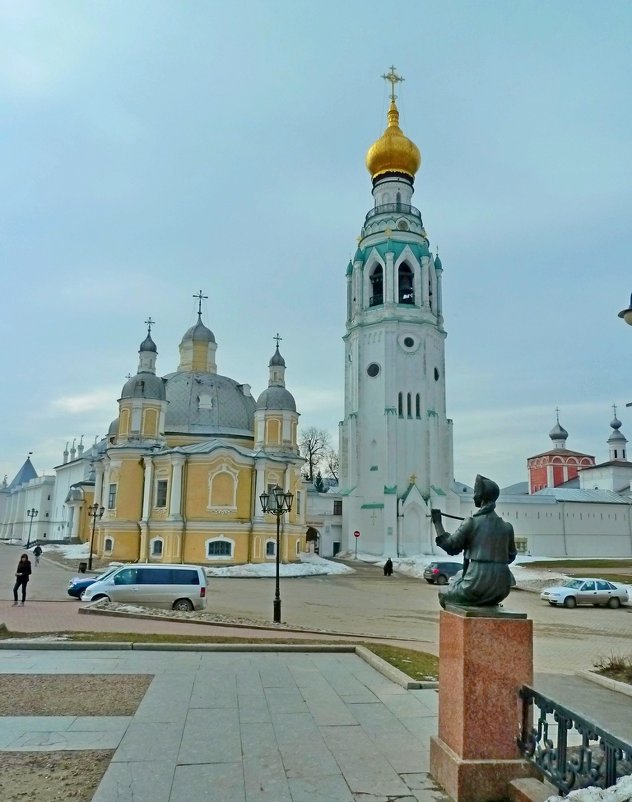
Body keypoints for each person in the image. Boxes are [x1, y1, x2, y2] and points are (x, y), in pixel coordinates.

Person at [431, 474, 516, 609]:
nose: (473, 496)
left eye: (475, 493)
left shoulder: (471, 522)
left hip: (476, 584)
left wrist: (437, 524)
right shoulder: (507, 527)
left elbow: (451, 547)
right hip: (502, 587)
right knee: (459, 576)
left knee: (444, 594)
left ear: (481, 497)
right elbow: (511, 556)